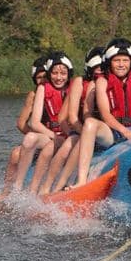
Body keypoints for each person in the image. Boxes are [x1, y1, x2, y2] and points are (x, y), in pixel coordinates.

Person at [73, 38, 131, 187]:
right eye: (117, 60)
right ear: (109, 62)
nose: (121, 64)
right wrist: (124, 131)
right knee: (90, 123)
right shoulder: (102, 81)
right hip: (114, 132)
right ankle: (81, 180)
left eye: (125, 60)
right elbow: (105, 114)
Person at [0, 56, 46, 205]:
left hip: (57, 137)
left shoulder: (60, 90)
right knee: (15, 154)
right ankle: (6, 192)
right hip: (39, 140)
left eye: (45, 76)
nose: (42, 80)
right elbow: (21, 123)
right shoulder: (33, 96)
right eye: (39, 77)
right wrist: (34, 138)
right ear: (34, 79)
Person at [38, 46, 105, 194]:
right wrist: (82, 133)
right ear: (90, 68)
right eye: (97, 68)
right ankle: (49, 188)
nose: (100, 71)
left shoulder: (110, 81)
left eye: (103, 68)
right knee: (69, 145)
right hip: (82, 130)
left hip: (102, 133)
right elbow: (67, 117)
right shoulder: (80, 83)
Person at [13, 51, 73, 194]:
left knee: (49, 149)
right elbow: (33, 123)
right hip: (50, 134)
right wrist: (53, 136)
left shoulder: (74, 86)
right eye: (55, 73)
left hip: (68, 135)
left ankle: (41, 189)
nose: (59, 77)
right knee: (29, 139)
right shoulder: (41, 89)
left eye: (63, 73)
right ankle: (16, 188)